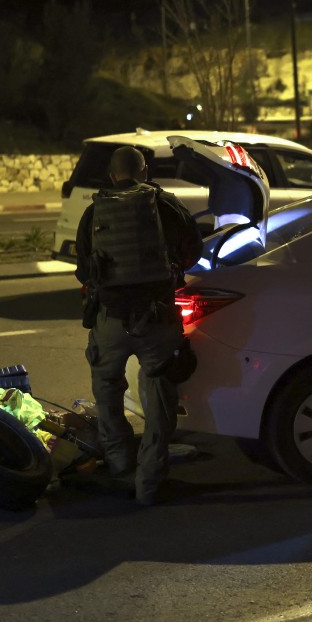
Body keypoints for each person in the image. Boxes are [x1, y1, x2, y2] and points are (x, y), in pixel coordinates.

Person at [74, 147, 202, 506]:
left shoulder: (94, 211)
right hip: (156, 320)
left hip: (110, 320)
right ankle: (149, 482)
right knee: (159, 398)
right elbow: (193, 252)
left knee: (107, 389)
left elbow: (84, 271)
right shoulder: (166, 205)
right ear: (145, 171)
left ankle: (118, 464)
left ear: (112, 175)